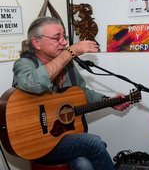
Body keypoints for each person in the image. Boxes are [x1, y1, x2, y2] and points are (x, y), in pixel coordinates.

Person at [12, 16, 132, 170]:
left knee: (84, 164)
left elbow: (82, 93)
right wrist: (72, 51)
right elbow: (33, 84)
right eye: (57, 37)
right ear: (36, 43)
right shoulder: (24, 64)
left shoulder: (67, 64)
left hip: (65, 137)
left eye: (64, 37)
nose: (63, 42)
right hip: (37, 141)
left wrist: (109, 101)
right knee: (94, 143)